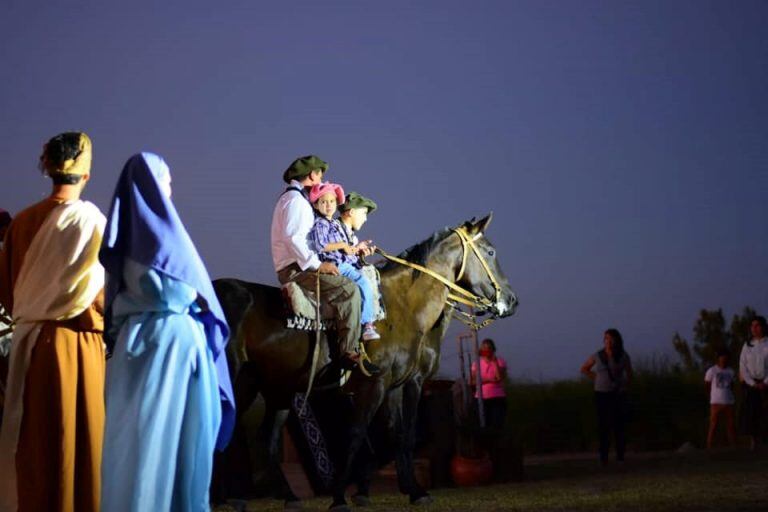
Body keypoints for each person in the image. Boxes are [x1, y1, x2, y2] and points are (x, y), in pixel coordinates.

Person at [98, 153, 235, 511]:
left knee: (136, 445)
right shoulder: (160, 239)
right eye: (168, 180)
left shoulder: (125, 238)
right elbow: (178, 293)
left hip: (136, 345)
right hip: (170, 345)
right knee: (168, 444)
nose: (172, 188)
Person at [0, 132, 106, 512]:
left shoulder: (23, 221)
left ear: (48, 169)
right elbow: (101, 295)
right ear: (87, 175)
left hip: (27, 345)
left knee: (33, 442)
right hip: (76, 344)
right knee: (75, 442)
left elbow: (9, 291)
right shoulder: (91, 221)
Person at [270, 155, 379, 375]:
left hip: (298, 264)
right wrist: (317, 265)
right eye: (320, 174)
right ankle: (348, 353)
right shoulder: (296, 201)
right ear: (312, 174)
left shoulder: (296, 199)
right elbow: (294, 239)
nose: (321, 178)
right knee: (349, 290)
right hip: (296, 269)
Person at [308, 182, 380, 341]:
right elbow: (322, 245)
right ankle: (365, 326)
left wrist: (357, 252)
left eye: (332, 201)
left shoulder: (334, 225)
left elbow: (346, 253)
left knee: (368, 278)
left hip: (343, 263)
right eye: (364, 213)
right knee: (361, 284)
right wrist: (346, 247)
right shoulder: (324, 224)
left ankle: (367, 322)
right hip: (335, 265)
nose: (328, 205)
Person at [580, 328, 633, 465]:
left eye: (610, 338)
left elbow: (629, 373)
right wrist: (596, 378)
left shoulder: (623, 355)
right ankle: (604, 457)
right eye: (605, 338)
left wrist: (625, 386)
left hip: (617, 393)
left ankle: (620, 456)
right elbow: (584, 368)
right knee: (604, 426)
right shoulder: (598, 355)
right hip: (601, 394)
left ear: (616, 340)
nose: (607, 341)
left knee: (619, 426)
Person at [739, 315, 768, 450]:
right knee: (752, 413)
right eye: (752, 326)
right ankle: (754, 441)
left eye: (757, 325)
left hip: (766, 382)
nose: (754, 329)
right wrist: (751, 383)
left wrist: (765, 382)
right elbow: (743, 366)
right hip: (752, 384)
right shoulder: (747, 345)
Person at [470, 338, 508, 429]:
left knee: (496, 423)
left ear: (493, 350)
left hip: (496, 397)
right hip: (480, 397)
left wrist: (494, 362)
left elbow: (499, 378)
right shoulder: (476, 363)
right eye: (484, 348)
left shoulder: (499, 361)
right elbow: (472, 381)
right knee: (481, 423)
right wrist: (489, 380)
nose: (486, 350)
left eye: (489, 348)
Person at [704, 348, 736, 448]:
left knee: (730, 425)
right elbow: (707, 384)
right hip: (716, 402)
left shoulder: (731, 371)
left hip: (728, 402)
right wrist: (711, 396)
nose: (723, 359)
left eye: (725, 357)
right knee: (713, 425)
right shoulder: (712, 370)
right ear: (718, 358)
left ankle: (733, 446)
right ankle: (709, 446)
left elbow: (732, 385)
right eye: (722, 357)